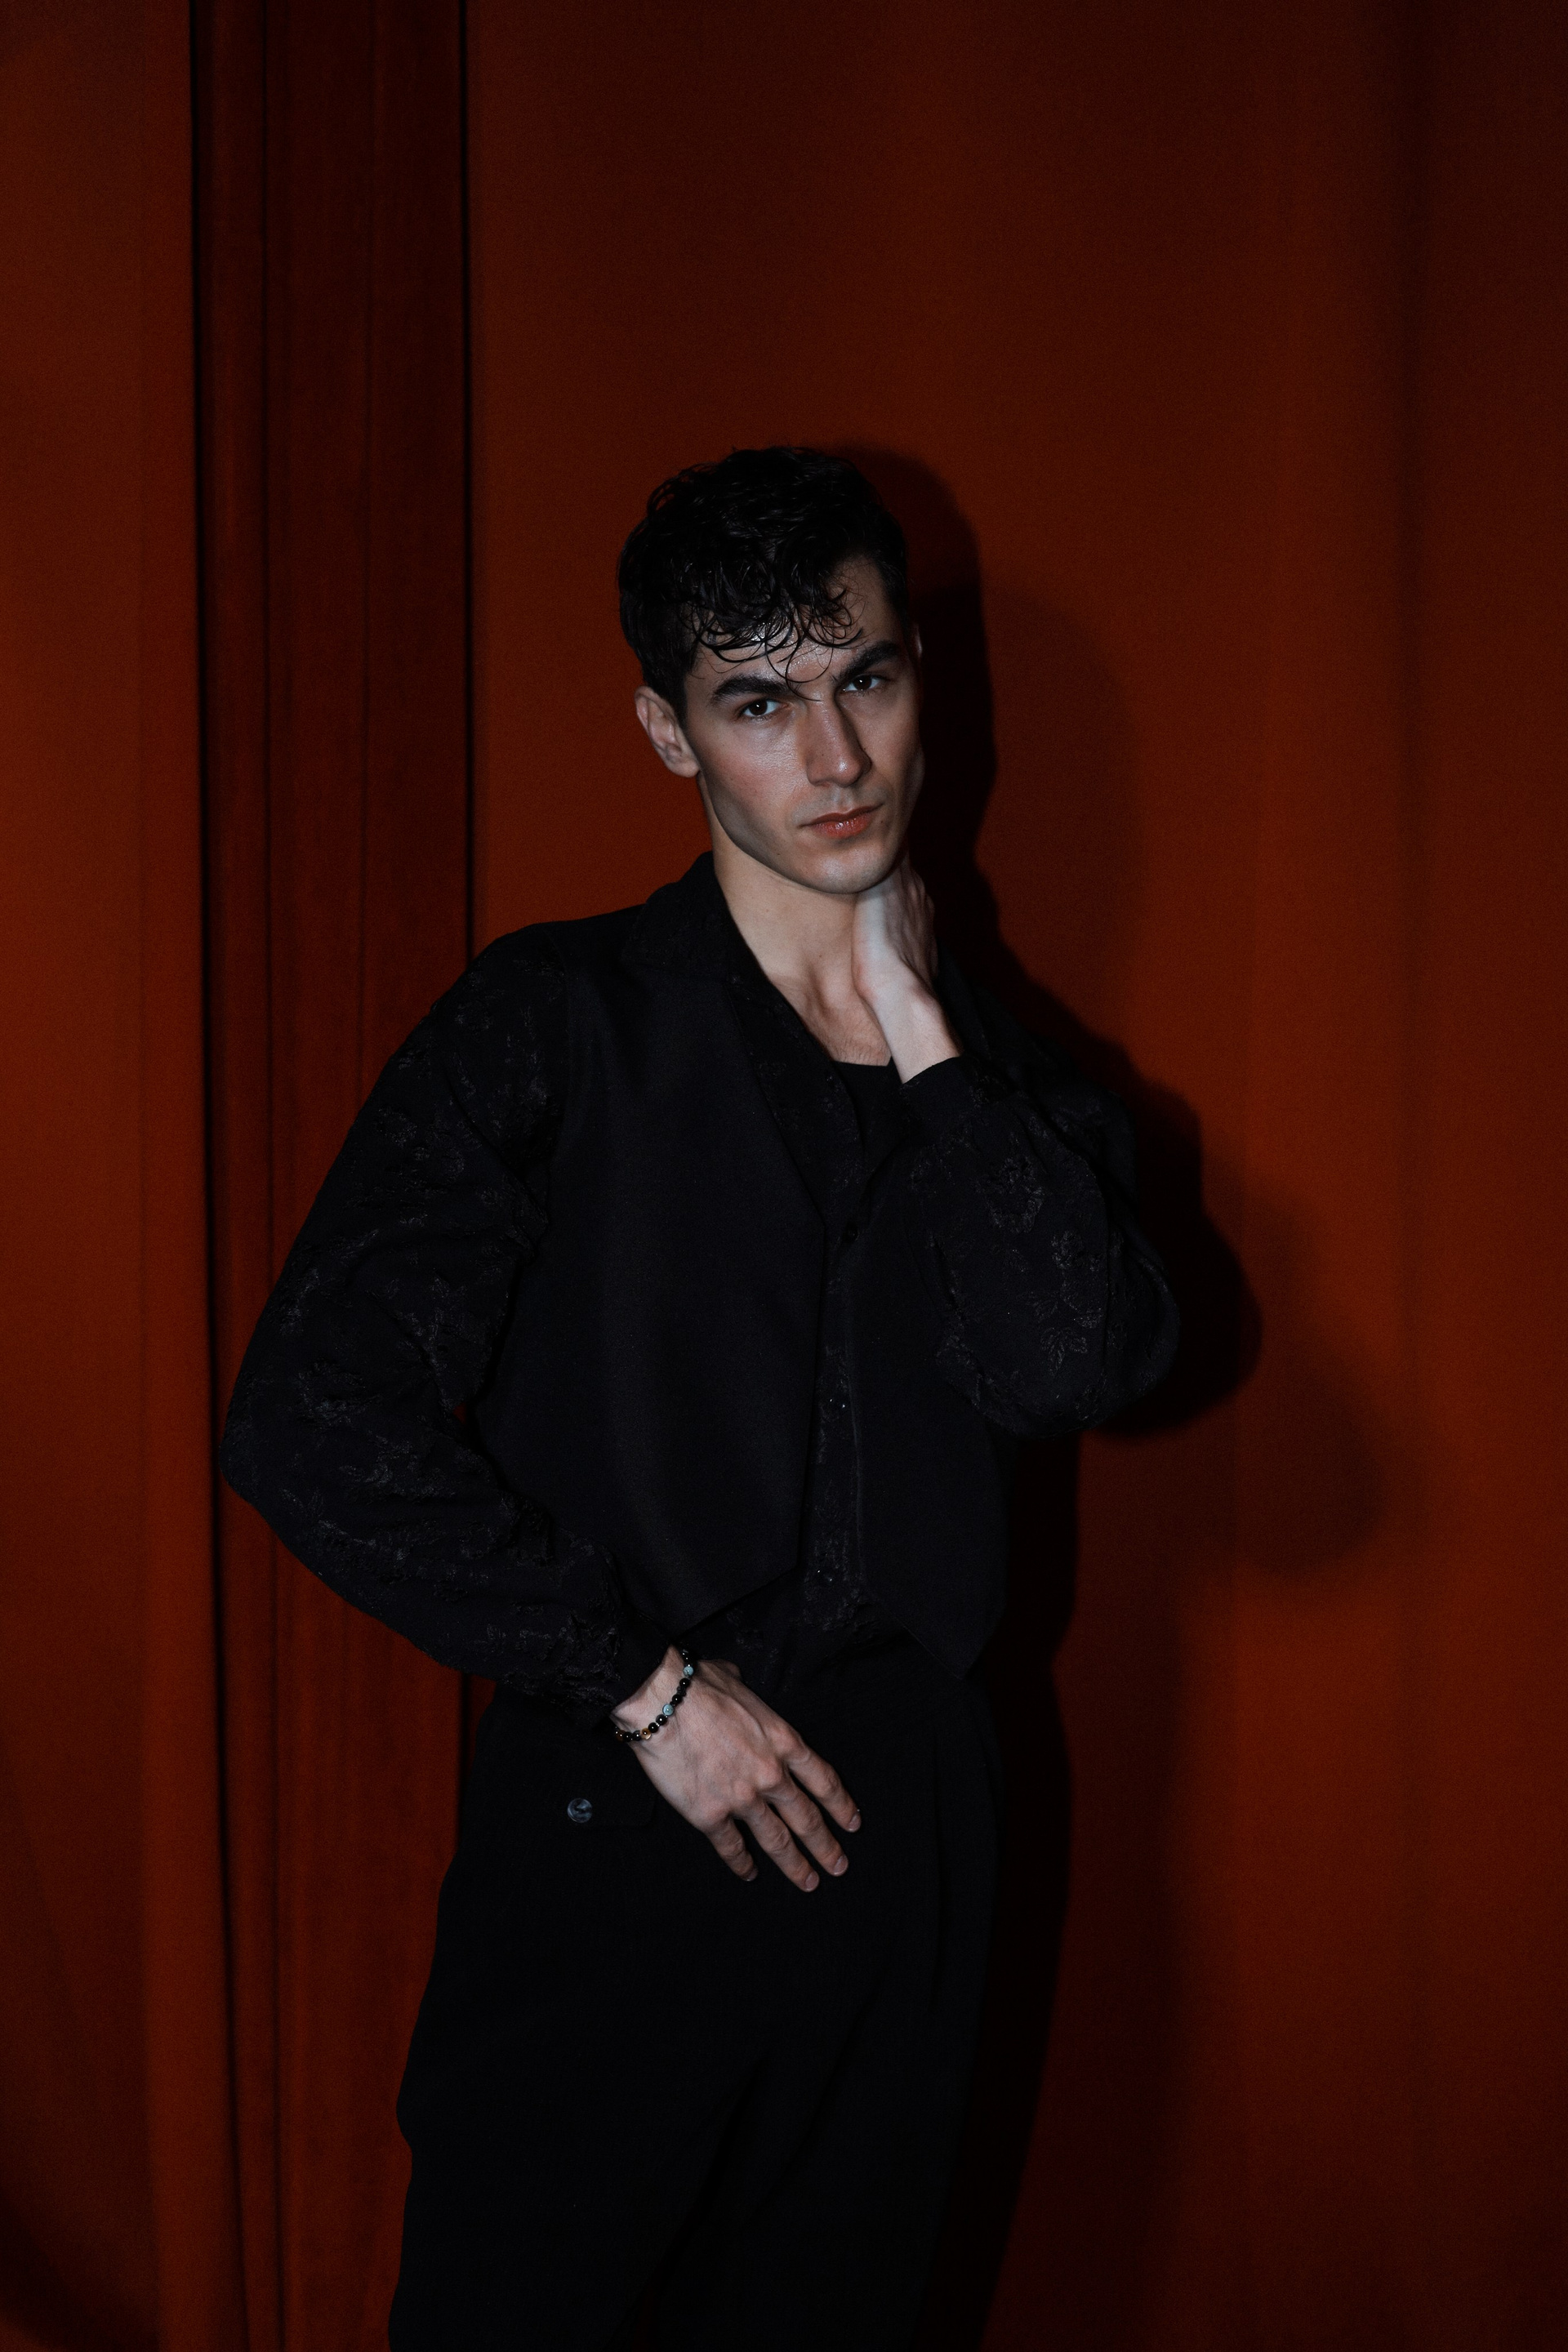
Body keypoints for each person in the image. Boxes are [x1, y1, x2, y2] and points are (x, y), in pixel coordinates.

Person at [220, 445, 1178, 2350]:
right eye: (758, 702)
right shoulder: (552, 1023)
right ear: (670, 732)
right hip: (620, 1816)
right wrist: (640, 1685)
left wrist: (925, 1033)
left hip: (907, 1846)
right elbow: (309, 1411)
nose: (832, 757)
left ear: (920, 679)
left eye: (864, 679)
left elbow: (1078, 1365)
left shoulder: (1015, 1092)